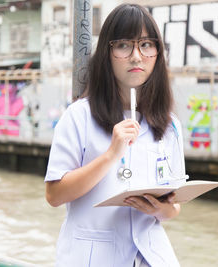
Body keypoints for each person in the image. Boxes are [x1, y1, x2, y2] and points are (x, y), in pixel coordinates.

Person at [44, 4, 186, 267]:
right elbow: (55, 195)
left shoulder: (169, 126)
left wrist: (160, 209)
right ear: (107, 53)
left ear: (157, 53)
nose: (136, 56)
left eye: (146, 45)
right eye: (123, 45)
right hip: (94, 258)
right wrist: (111, 155)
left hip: (152, 258)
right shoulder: (79, 117)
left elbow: (173, 207)